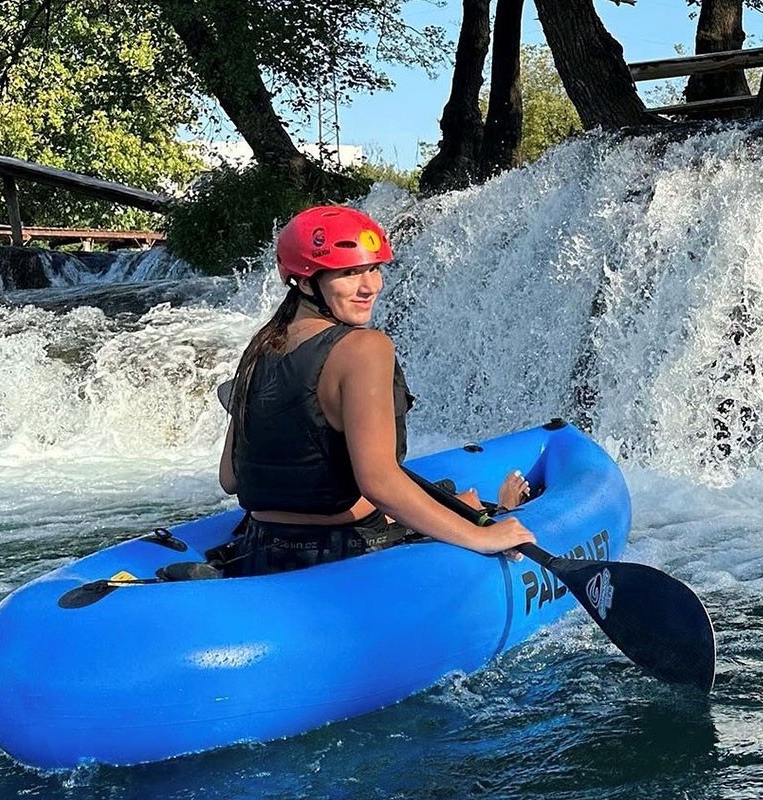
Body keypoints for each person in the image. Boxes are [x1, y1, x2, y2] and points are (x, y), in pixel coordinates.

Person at [217, 205, 535, 576]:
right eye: (349, 273)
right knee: (461, 503)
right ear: (304, 282)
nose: (371, 286)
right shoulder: (365, 348)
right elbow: (379, 483)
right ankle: (497, 510)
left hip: (258, 545)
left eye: (373, 268)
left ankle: (474, 505)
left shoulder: (260, 346)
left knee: (445, 492)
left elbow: (231, 478)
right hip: (342, 552)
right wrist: (482, 537)